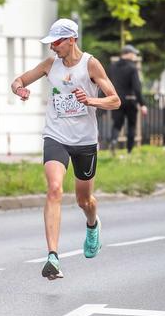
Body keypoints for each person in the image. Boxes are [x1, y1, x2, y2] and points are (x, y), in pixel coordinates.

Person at [10, 18, 120, 280]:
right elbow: (18, 80)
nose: (53, 48)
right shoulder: (51, 65)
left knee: (84, 200)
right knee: (55, 189)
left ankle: (92, 225)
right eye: (51, 43)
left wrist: (90, 99)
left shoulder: (90, 64)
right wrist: (20, 90)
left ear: (72, 40)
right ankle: (53, 257)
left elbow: (115, 100)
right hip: (56, 136)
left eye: (57, 42)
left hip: (84, 141)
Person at [108, 44, 148, 154]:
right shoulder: (132, 68)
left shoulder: (112, 67)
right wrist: (142, 104)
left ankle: (114, 141)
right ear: (128, 54)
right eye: (134, 53)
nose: (135, 56)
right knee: (131, 125)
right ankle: (129, 151)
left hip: (116, 100)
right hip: (130, 100)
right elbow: (137, 88)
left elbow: (107, 84)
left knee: (117, 124)